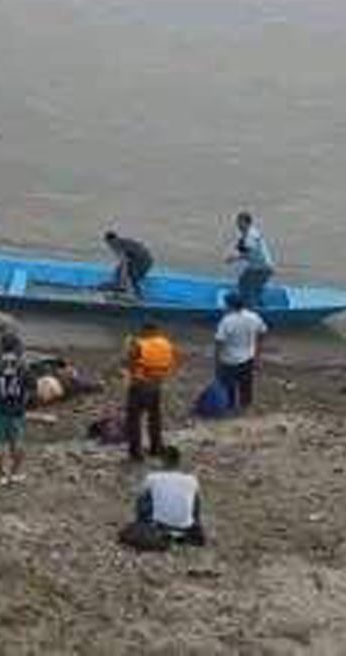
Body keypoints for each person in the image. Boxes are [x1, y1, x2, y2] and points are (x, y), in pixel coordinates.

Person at [0, 334, 34, 485]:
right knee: (17, 440)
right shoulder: (23, 366)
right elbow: (31, 387)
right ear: (17, 347)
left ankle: (0, 474)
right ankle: (16, 472)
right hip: (17, 409)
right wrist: (23, 402)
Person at [125, 319, 178, 461]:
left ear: (145, 330)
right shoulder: (167, 344)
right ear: (157, 330)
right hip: (157, 384)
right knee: (154, 417)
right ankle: (156, 446)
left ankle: (135, 452)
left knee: (134, 418)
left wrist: (129, 347)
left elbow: (130, 364)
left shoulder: (139, 344)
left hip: (140, 385)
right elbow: (172, 363)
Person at [134, 446, 205, 545]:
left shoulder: (153, 478)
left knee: (145, 496)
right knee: (194, 497)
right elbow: (197, 506)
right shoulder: (191, 479)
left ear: (162, 461)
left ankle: (144, 523)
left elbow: (139, 498)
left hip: (159, 526)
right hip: (185, 527)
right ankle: (189, 526)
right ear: (179, 461)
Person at [213, 292, 268, 411]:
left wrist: (217, 361)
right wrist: (258, 351)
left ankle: (230, 406)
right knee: (246, 384)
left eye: (225, 304)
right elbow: (263, 332)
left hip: (229, 360)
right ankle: (245, 405)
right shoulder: (254, 316)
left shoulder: (226, 321)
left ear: (229, 305)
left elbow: (219, 342)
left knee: (229, 385)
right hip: (248, 357)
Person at [226, 212, 275, 308]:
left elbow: (248, 253)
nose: (238, 224)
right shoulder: (245, 233)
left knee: (246, 287)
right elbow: (240, 246)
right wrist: (233, 253)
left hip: (262, 268)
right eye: (238, 222)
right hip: (257, 266)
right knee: (247, 284)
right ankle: (258, 304)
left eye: (241, 222)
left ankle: (251, 309)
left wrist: (233, 258)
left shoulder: (251, 236)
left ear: (247, 223)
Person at [102, 230, 155, 297]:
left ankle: (137, 295)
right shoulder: (121, 243)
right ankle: (123, 286)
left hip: (144, 261)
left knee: (132, 276)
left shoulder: (118, 245)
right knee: (120, 271)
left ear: (111, 240)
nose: (109, 245)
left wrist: (122, 282)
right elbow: (124, 262)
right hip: (142, 258)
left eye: (109, 243)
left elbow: (125, 263)